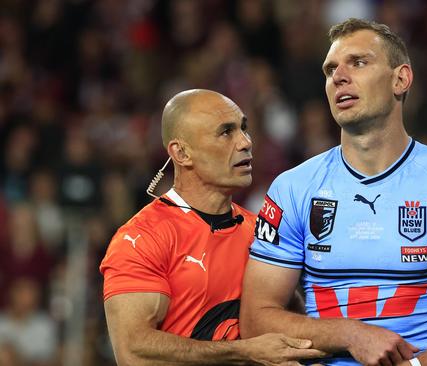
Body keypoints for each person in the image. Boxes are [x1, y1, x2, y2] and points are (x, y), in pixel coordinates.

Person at [241, 19, 427, 366]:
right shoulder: (292, 189)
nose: (339, 76)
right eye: (330, 69)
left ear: (401, 79)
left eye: (359, 62)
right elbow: (255, 320)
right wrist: (350, 335)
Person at [100, 89, 326, 365]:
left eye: (244, 128)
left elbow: (292, 323)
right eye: (226, 132)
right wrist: (245, 353)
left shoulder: (261, 232)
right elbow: (133, 352)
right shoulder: (141, 238)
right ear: (181, 153)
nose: (245, 142)